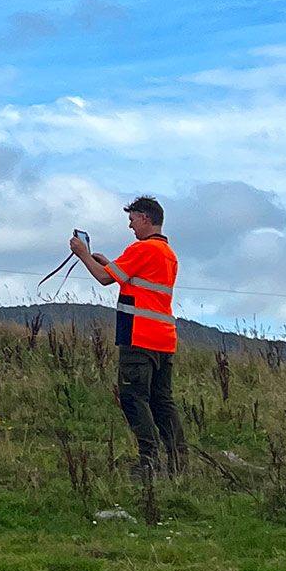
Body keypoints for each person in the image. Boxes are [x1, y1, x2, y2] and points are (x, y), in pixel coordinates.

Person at [70, 196, 183, 479]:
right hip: (163, 340)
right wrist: (109, 263)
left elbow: (105, 279)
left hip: (139, 338)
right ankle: (178, 462)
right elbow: (134, 281)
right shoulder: (167, 254)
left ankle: (148, 462)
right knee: (162, 402)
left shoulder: (143, 249)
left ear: (145, 218)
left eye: (132, 220)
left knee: (134, 398)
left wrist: (83, 254)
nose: (130, 226)